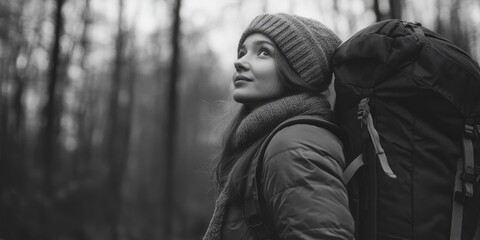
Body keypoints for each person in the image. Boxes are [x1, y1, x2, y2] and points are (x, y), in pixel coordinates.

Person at [203, 13, 355, 240]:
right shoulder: (270, 141)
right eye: (242, 52)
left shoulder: (294, 145)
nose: (239, 62)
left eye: (263, 52)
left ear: (297, 71)